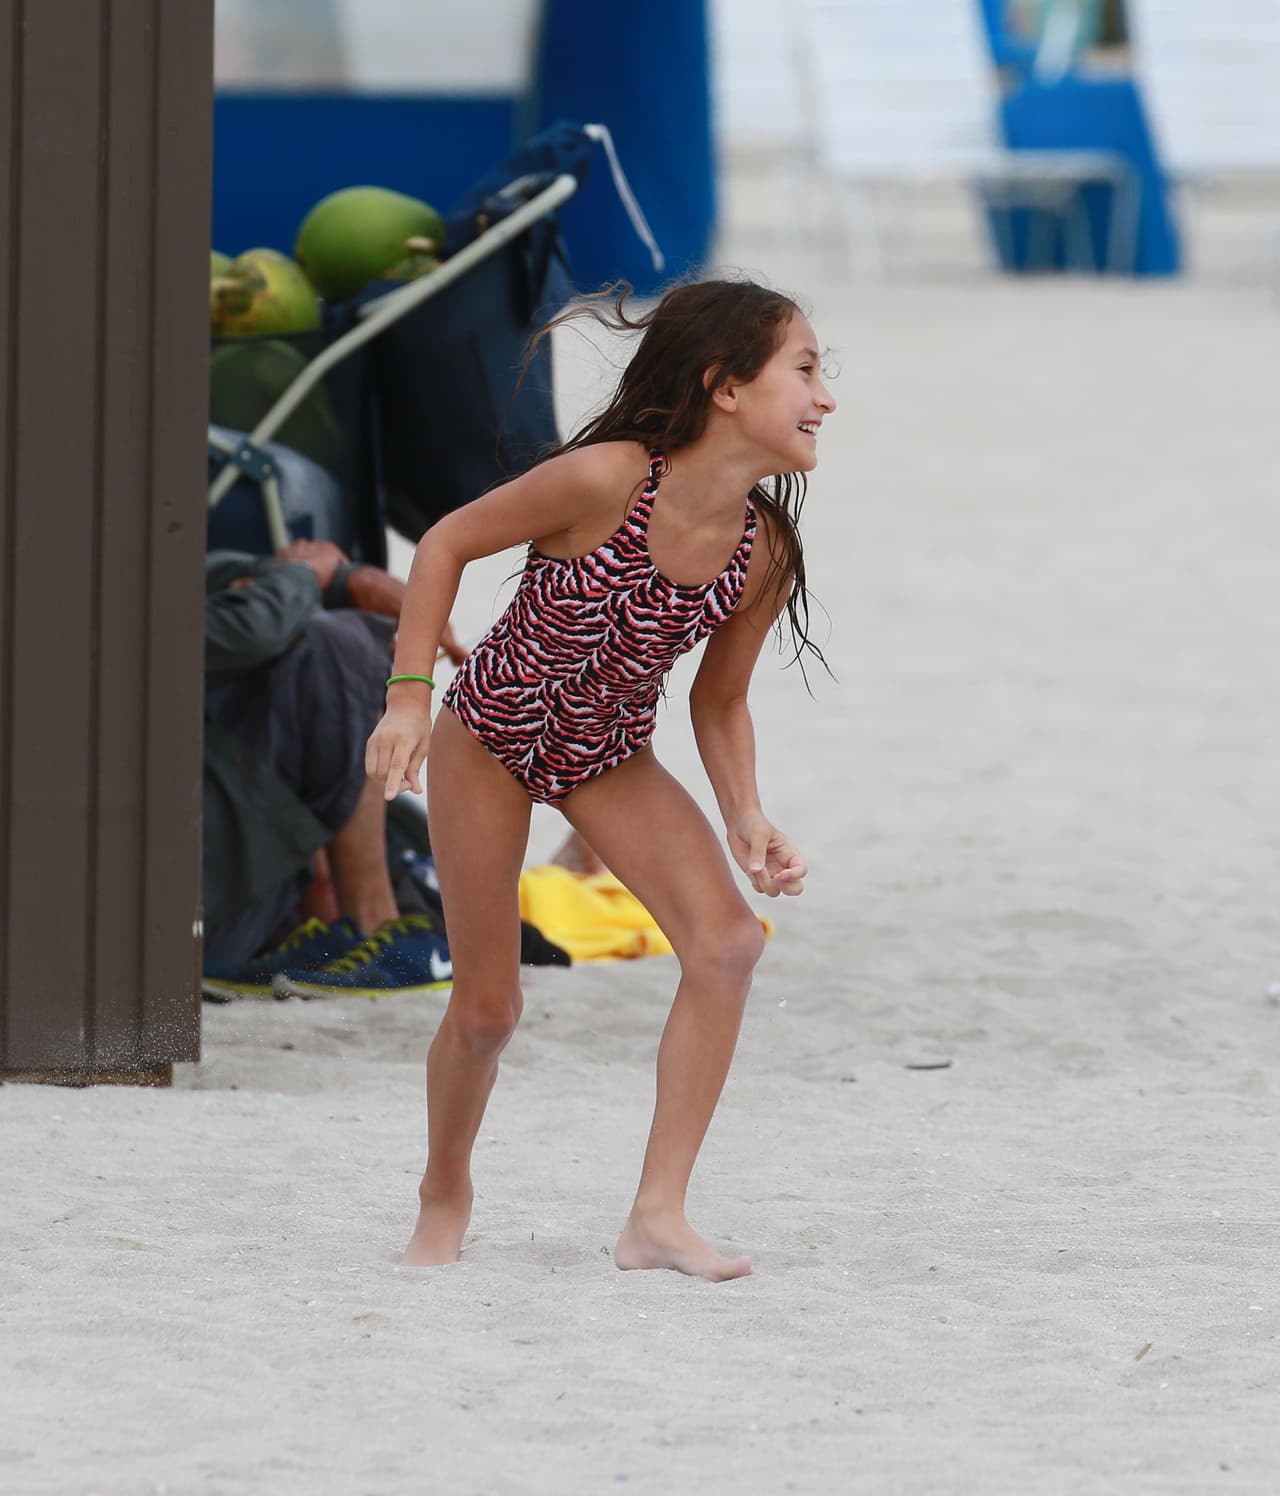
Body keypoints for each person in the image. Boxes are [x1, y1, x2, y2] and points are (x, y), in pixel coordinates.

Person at [367, 279, 836, 1280]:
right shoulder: (608, 479)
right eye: (803, 368)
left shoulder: (762, 552)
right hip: (488, 737)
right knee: (488, 1008)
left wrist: (745, 814)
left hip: (605, 753)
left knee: (726, 943)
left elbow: (717, 703)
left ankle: (655, 1214)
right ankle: (443, 1186)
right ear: (723, 386)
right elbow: (447, 539)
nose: (822, 396)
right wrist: (408, 694)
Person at [201, 539, 461, 1000]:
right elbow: (238, 630)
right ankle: (372, 923)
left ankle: (339, 923)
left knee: (332, 643)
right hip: (187, 910)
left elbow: (188, 581)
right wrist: (305, 576)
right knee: (342, 648)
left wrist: (339, 578)